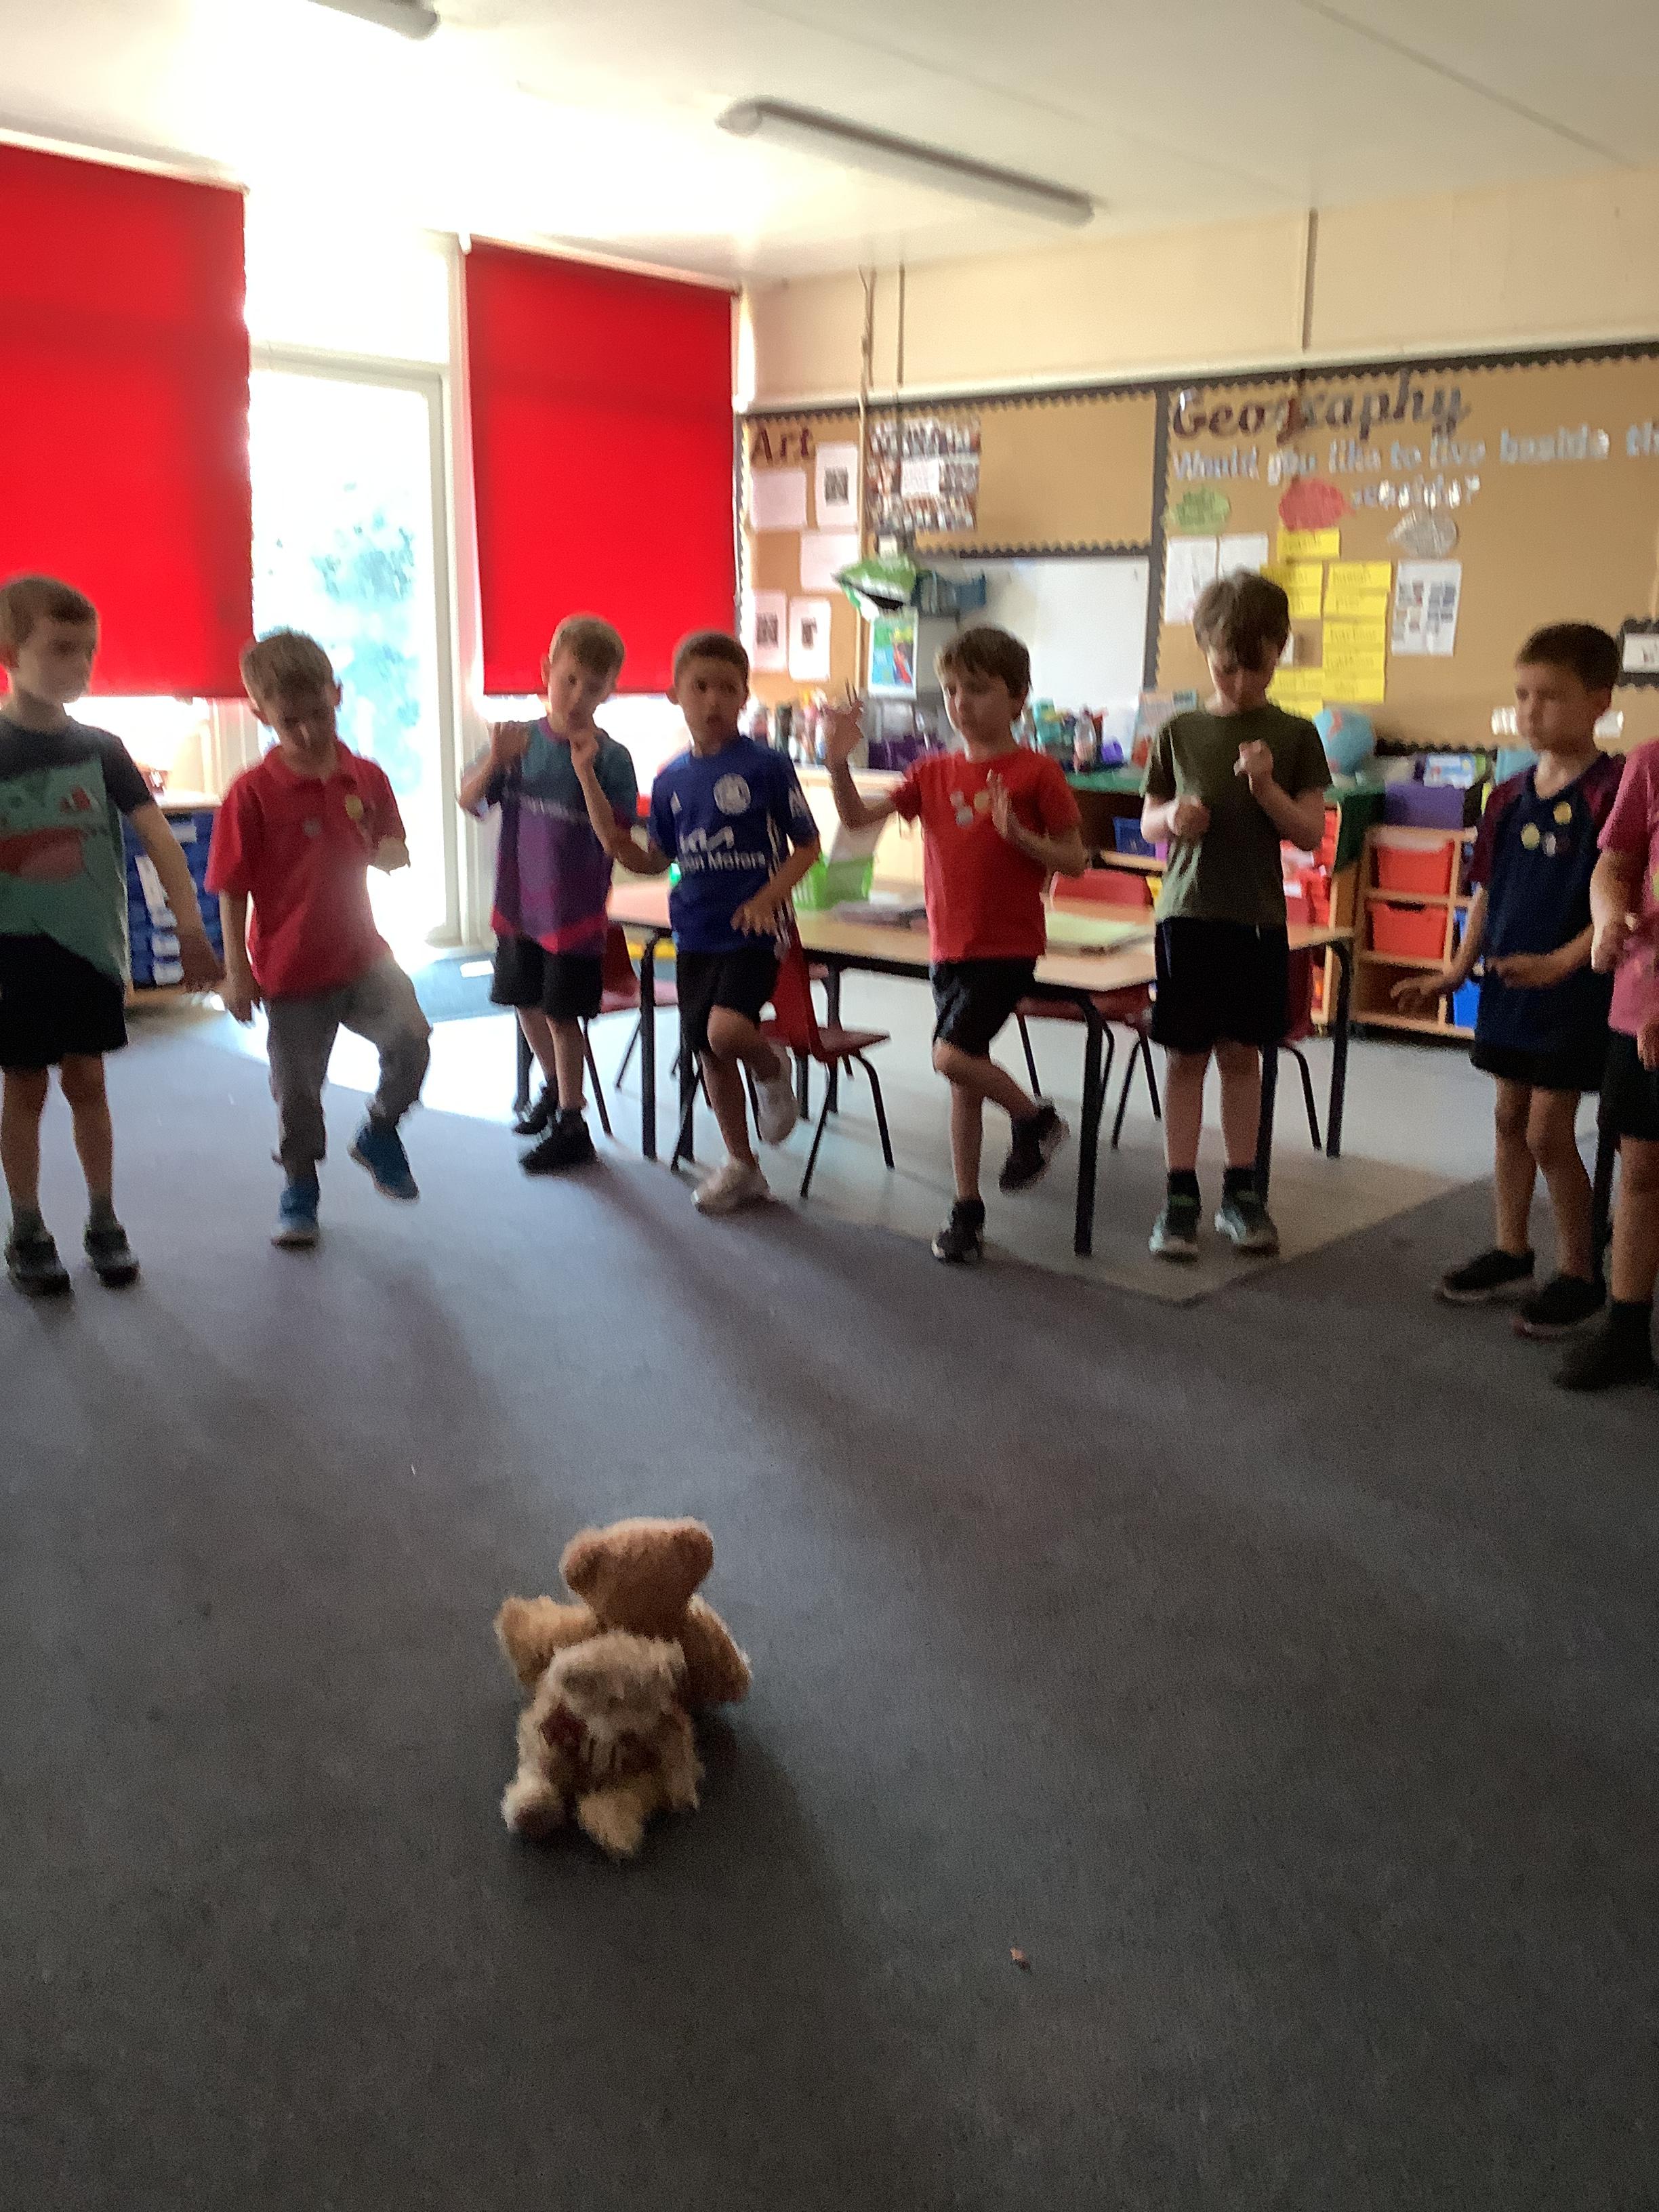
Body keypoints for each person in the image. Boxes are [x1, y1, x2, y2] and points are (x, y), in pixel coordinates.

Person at [825, 623, 1086, 1266]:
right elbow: (857, 820)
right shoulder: (932, 772)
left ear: (1018, 698)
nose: (961, 703)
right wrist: (836, 761)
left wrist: (1021, 838)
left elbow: (1075, 860)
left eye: (978, 689)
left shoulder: (1037, 772)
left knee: (949, 1057)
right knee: (964, 1075)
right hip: (949, 946)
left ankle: (1035, 1120)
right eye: (951, 690)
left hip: (1008, 946)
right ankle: (966, 1210)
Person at [1394, 623, 1624, 1338]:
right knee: (1507, 1120)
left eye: (1550, 696)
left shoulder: (1612, 790)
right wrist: (1457, 968)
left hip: (1575, 992)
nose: (1531, 711)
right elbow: (1487, 892)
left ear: (1599, 702)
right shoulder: (1507, 795)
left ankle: (1581, 1271)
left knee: (1550, 1133)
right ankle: (1511, 1250)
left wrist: (1562, 964)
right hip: (1509, 991)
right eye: (1522, 695)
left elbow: (1619, 901)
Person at [0, 574, 222, 1295]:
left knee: (88, 1080)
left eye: (88, 650)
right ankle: (27, 1227)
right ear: (11, 653)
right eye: (61, 648)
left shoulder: (103, 749)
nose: (79, 664)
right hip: (14, 953)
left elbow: (160, 843)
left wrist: (192, 928)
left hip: (90, 949)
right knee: (24, 1087)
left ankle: (103, 1218)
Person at [570, 630, 819, 1214]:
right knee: (709, 1052)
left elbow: (807, 847)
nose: (713, 701)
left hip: (755, 932)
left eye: (727, 689)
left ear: (744, 698)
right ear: (675, 694)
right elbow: (655, 857)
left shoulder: (767, 765)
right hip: (695, 932)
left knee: (727, 1032)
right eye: (700, 687)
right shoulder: (671, 779)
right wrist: (602, 811)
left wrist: (768, 899)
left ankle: (771, 1066)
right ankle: (742, 1164)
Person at [206, 630, 432, 1249]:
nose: (308, 732)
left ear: (338, 695)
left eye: (320, 715)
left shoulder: (366, 777)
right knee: (298, 1094)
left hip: (363, 956)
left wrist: (393, 853)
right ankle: (299, 1185)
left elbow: (393, 843)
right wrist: (237, 971)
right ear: (261, 715)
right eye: (290, 722)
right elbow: (230, 886)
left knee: (412, 1039)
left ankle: (379, 1131)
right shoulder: (251, 793)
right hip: (290, 969)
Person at [1140, 572, 1329, 1262]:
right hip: (1188, 916)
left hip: (1255, 919)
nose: (1243, 683)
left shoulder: (1295, 735)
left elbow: (1308, 833)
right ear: (1204, 650)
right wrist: (1173, 817)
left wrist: (1265, 786)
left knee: (1242, 1057)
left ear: (1279, 651)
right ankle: (1179, 1197)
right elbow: (1149, 821)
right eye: (1227, 667)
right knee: (1185, 1057)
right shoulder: (1181, 731)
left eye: (1258, 667)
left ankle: (1243, 1194)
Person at [458, 615, 637, 1174]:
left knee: (562, 1017)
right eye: (569, 680)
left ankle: (572, 1122)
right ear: (547, 672)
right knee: (525, 1002)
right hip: (520, 906)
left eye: (593, 686)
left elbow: (616, 836)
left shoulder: (612, 758)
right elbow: (470, 801)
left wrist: (586, 772)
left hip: (574, 914)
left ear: (610, 691)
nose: (578, 696)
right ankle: (556, 1088)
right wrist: (496, 759)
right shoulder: (520, 741)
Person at [1556, 735, 1659, 1389]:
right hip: (1640, 999)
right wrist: (1607, 918)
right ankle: (1626, 1330)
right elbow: (1614, 864)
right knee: (1641, 1167)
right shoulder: (1651, 764)